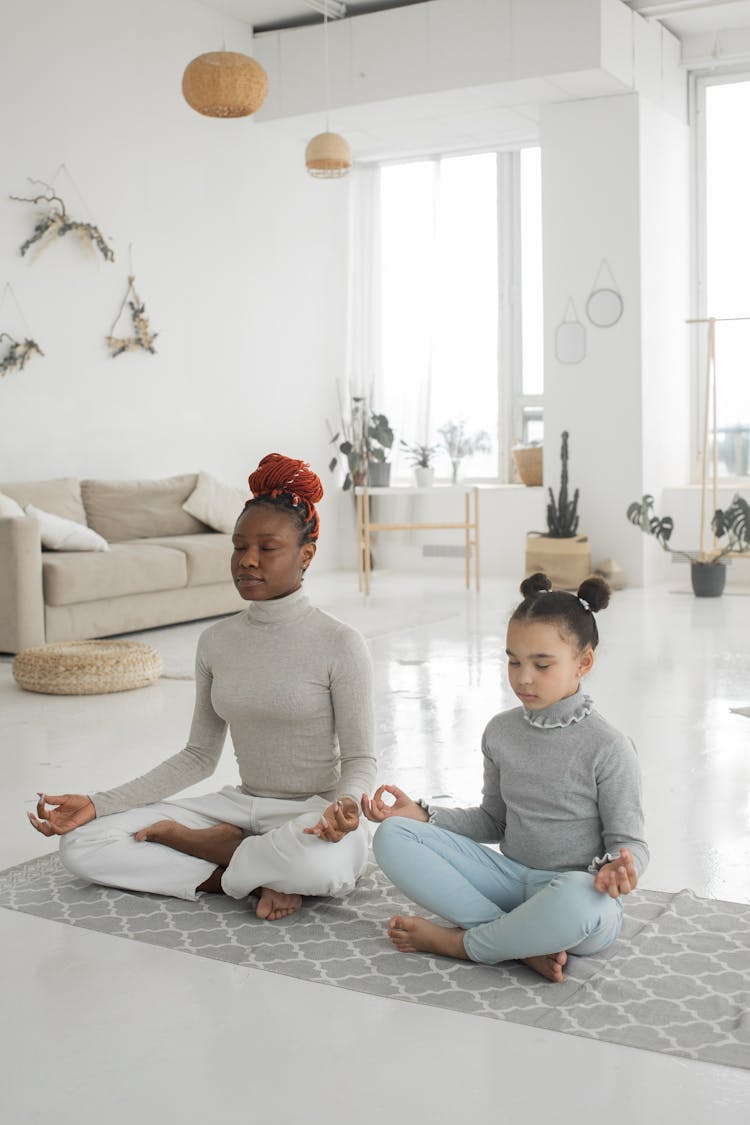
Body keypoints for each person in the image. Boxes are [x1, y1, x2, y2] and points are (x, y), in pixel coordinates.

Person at [28, 453, 376, 921]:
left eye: (267, 548)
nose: (247, 560)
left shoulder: (341, 643)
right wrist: (97, 803)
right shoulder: (217, 641)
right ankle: (246, 872)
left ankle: (231, 858)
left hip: (311, 812)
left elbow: (359, 761)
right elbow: (198, 757)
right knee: (82, 845)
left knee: (324, 869)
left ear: (305, 556)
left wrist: (343, 809)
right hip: (238, 807)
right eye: (238, 547)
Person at [362, 572, 648, 982]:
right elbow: (493, 821)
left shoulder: (609, 746)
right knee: (392, 835)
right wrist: (423, 816)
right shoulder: (501, 730)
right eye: (514, 661)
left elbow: (630, 843)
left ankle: (463, 943)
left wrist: (621, 869)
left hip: (576, 893)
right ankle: (517, 940)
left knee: (580, 903)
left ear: (583, 662)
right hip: (510, 882)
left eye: (542, 664)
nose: (523, 677)